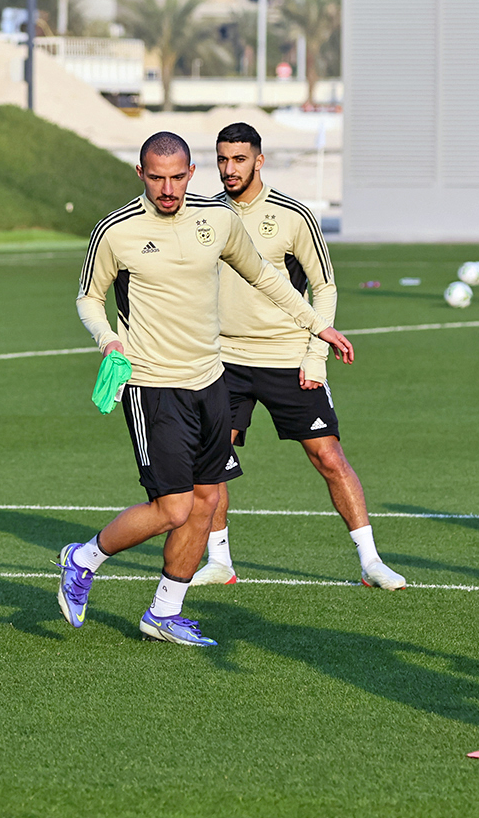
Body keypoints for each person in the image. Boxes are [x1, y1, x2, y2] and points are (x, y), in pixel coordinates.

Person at [58, 132, 356, 647]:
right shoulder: (116, 230)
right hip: (151, 384)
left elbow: (264, 274)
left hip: (211, 380)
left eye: (177, 176)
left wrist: (315, 325)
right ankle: (83, 559)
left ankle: (163, 613)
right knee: (173, 508)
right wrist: (108, 340)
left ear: (191, 172)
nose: (168, 188)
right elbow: (89, 298)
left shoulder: (217, 219)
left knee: (207, 499)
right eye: (157, 177)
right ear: (140, 173)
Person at [202, 122, 405, 591]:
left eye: (238, 159)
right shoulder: (206, 214)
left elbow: (325, 287)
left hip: (288, 358)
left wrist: (315, 358)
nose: (229, 169)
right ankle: (219, 562)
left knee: (329, 457)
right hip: (224, 360)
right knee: (211, 460)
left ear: (259, 160)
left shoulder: (292, 215)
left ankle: (371, 562)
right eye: (222, 159)